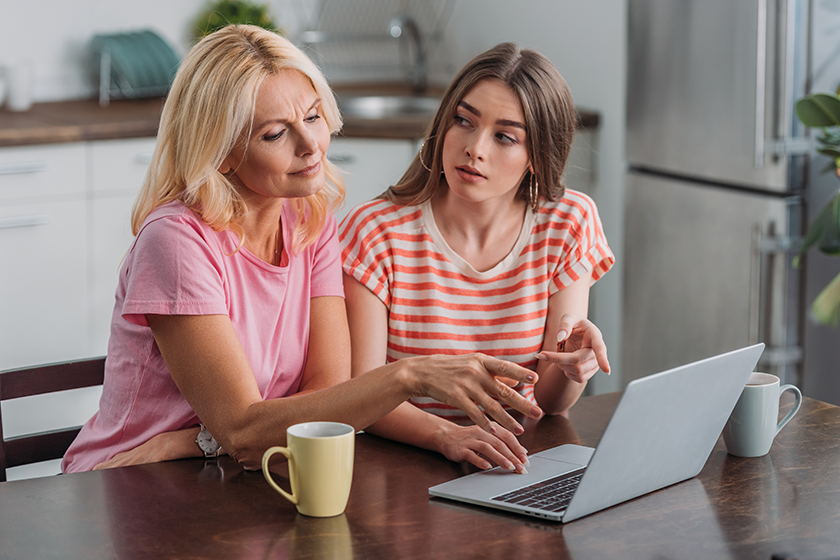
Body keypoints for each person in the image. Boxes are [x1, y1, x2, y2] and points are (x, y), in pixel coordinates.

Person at [61, 27, 544, 474]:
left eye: (312, 116)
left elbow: (328, 396)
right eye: (275, 133)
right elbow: (246, 432)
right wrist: (408, 376)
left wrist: (195, 441)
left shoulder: (311, 222)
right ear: (222, 152)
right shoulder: (179, 241)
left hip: (224, 473)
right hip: (128, 481)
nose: (312, 145)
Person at [340, 43, 615, 474]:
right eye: (463, 121)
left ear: (536, 158)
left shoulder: (568, 222)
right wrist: (445, 436)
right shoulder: (375, 231)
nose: (474, 148)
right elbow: (362, 397)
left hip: (510, 465)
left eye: (504, 136)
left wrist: (574, 364)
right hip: (403, 469)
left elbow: (548, 404)